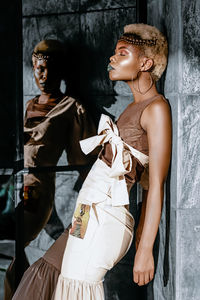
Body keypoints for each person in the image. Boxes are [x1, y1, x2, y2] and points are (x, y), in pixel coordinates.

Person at [13, 23, 171, 300]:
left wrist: (144, 249)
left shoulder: (156, 108)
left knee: (72, 292)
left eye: (122, 53)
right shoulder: (132, 109)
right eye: (114, 53)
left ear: (145, 63)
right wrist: (80, 218)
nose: (112, 58)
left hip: (106, 218)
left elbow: (154, 185)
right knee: (41, 275)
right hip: (87, 215)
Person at [4, 39, 97, 300]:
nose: (42, 75)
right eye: (37, 68)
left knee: (12, 251)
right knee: (14, 256)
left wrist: (83, 218)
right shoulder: (28, 105)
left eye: (48, 68)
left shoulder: (70, 107)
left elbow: (85, 165)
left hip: (38, 192)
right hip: (16, 188)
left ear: (60, 71)